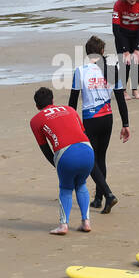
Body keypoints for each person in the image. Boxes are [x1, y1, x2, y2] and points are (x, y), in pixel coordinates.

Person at [69, 36, 131, 213]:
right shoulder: (113, 70)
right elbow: (121, 100)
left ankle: (108, 194)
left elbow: (72, 102)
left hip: (90, 120)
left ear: (89, 53)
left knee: (90, 161)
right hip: (107, 119)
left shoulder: (80, 71)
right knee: (100, 158)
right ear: (102, 52)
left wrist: (70, 124)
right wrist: (125, 124)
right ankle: (98, 199)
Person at [29, 87, 95, 235]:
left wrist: (56, 164)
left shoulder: (35, 120)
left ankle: (63, 226)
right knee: (81, 184)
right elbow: (82, 132)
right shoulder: (70, 109)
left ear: (37, 106)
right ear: (53, 101)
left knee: (66, 188)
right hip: (88, 150)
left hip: (66, 155)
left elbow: (45, 148)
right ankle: (86, 222)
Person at [112, 0, 139, 99]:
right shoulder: (118, 5)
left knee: (136, 63)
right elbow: (116, 30)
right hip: (122, 35)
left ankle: (135, 90)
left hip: (138, 35)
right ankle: (123, 91)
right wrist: (125, 50)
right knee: (125, 64)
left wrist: (137, 49)